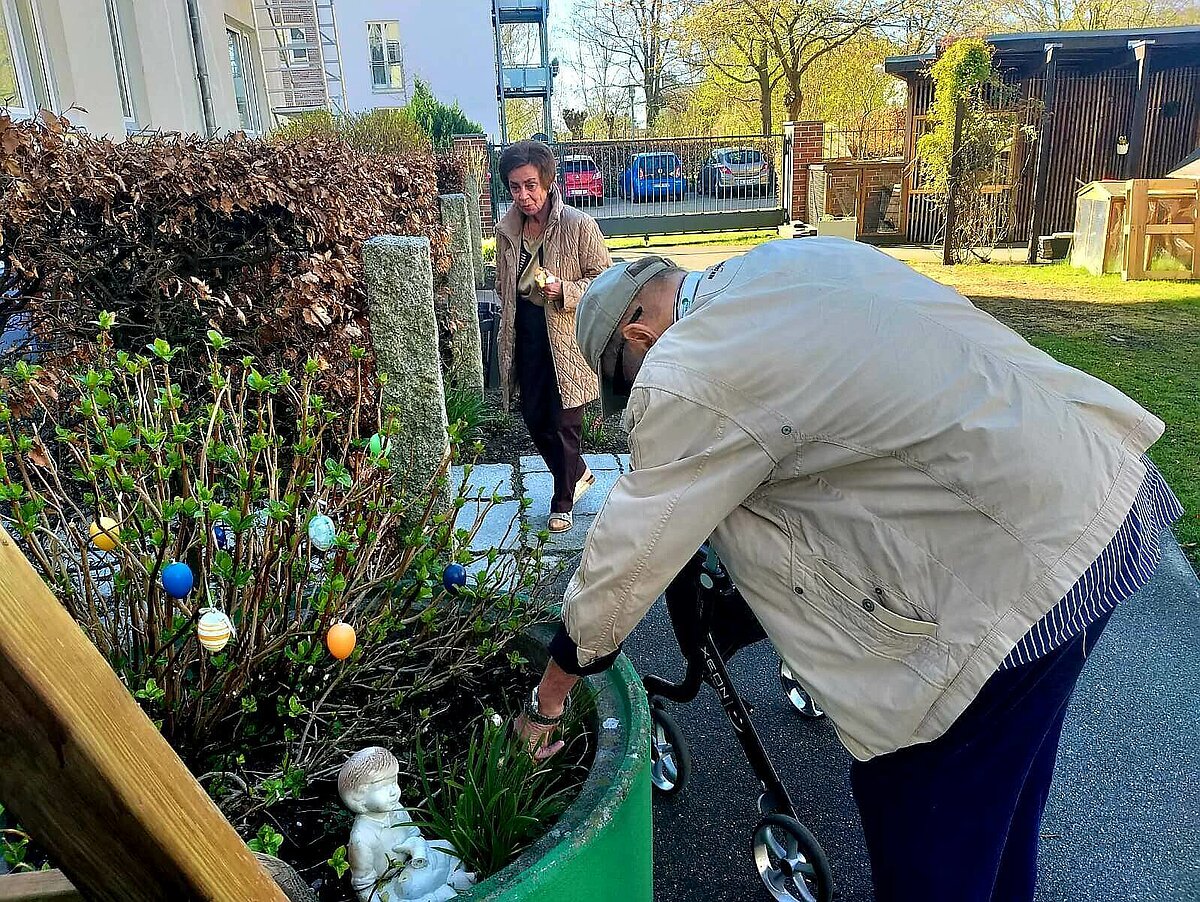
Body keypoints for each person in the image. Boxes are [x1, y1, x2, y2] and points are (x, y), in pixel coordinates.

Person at [514, 239, 1183, 902]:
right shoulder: (790, 262)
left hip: (1019, 579)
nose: (640, 403)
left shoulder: (688, 365)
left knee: (925, 819)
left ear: (640, 335)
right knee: (1002, 812)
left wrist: (550, 698)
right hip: (1098, 506)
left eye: (628, 389)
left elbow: (626, 558)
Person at [495, 140, 612, 532]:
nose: (523, 195)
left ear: (547, 182)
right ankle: (577, 472)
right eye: (514, 187)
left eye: (530, 185)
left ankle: (562, 499)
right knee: (532, 416)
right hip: (525, 335)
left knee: (564, 423)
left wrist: (565, 290)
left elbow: (604, 282)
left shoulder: (579, 225)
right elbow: (502, 284)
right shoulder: (506, 230)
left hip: (566, 337)